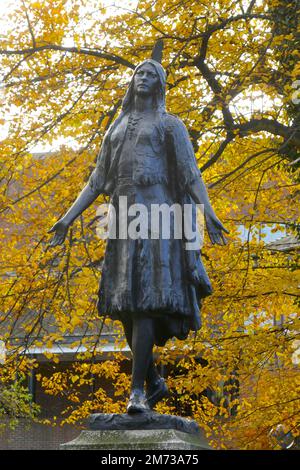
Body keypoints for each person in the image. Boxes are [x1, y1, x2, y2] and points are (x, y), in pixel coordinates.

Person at [48, 58, 228, 414]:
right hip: (122, 219)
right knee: (125, 305)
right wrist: (67, 219)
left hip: (158, 216)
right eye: (138, 74)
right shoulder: (116, 129)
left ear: (159, 85)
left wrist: (207, 211)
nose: (143, 78)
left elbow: (190, 174)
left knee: (144, 302)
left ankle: (137, 394)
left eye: (150, 74)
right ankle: (153, 382)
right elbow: (97, 181)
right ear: (132, 83)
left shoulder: (169, 125)